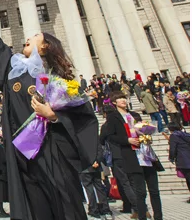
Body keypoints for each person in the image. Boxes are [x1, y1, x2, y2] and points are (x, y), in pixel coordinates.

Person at [0, 0, 98, 220]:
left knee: (64, 203)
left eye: (36, 36)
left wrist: (54, 116)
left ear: (45, 46)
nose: (28, 37)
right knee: (35, 206)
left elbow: (83, 117)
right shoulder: (15, 69)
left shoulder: (58, 79)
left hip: (53, 151)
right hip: (23, 154)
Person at [100, 92, 163, 220]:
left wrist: (147, 136)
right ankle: (141, 216)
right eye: (119, 99)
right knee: (140, 192)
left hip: (146, 155)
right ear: (114, 103)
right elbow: (110, 136)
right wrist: (127, 140)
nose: (123, 100)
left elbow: (143, 130)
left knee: (155, 191)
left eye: (124, 98)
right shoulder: (113, 118)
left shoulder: (135, 115)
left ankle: (158, 217)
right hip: (131, 156)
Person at [79, 142, 110, 218]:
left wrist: (90, 162)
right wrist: (97, 161)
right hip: (96, 167)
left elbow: (79, 153)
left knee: (89, 190)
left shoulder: (79, 138)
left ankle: (94, 210)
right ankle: (105, 209)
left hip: (85, 168)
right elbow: (100, 150)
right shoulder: (94, 137)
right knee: (99, 188)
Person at [167, 122, 190, 197]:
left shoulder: (174, 136)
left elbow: (173, 149)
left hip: (183, 160)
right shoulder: (186, 135)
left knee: (189, 179)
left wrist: (171, 157)